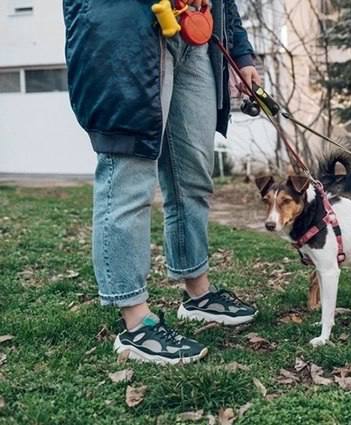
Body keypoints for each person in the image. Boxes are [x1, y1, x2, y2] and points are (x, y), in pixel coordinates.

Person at [63, 0, 261, 364]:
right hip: (126, 29)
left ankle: (197, 292)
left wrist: (242, 54)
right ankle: (136, 321)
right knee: (129, 177)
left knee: (193, 178)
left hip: (196, 35)